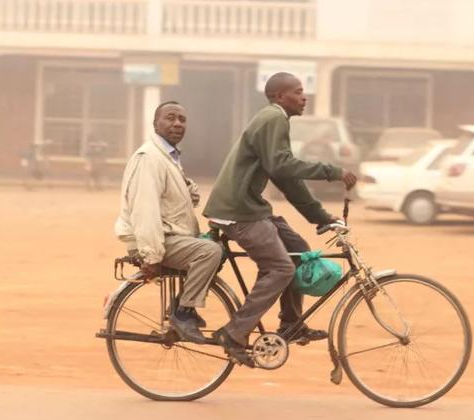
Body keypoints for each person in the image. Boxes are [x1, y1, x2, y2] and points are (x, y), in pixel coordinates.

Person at [203, 72, 357, 366]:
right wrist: (331, 171)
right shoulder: (274, 118)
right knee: (280, 267)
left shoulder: (273, 120)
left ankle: (291, 323)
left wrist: (319, 216)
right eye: (298, 92)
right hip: (237, 211)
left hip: (249, 207)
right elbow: (283, 166)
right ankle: (234, 333)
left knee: (297, 249)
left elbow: (286, 179)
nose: (304, 97)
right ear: (279, 96)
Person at [115, 101, 223, 344]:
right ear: (156, 124)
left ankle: (182, 303)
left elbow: (176, 196)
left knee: (217, 248)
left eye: (182, 120)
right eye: (170, 118)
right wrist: (151, 256)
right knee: (209, 252)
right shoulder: (150, 158)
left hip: (168, 236)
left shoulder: (168, 156)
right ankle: (183, 313)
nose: (177, 124)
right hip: (157, 240)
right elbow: (145, 210)